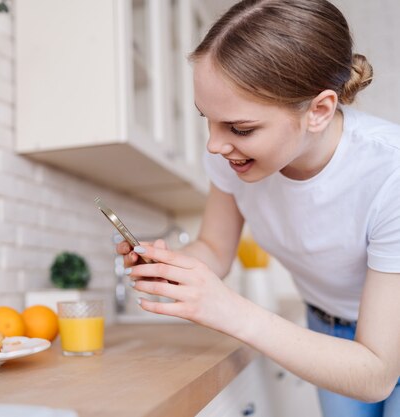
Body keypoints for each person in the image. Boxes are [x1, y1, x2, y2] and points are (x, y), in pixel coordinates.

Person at [117, 1, 400, 416]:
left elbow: (375, 374)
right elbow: (214, 249)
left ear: (318, 111)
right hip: (328, 329)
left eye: (240, 128)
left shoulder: (388, 173)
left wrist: (231, 310)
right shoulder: (230, 158)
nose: (214, 145)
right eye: (207, 119)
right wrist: (167, 264)